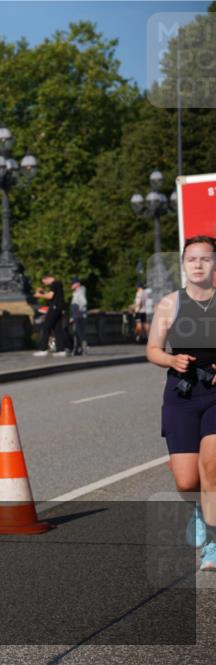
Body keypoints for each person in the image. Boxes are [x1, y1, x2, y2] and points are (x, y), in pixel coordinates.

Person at [147, 235, 216, 571]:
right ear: (184, 265)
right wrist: (171, 362)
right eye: (192, 259)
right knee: (187, 481)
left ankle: (213, 546)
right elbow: (153, 349)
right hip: (182, 394)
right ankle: (198, 510)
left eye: (206, 258)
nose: (199, 264)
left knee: (212, 467)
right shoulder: (170, 304)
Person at [33, 273, 71, 357]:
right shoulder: (58, 283)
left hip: (54, 308)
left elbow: (50, 296)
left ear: (47, 278)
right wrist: (43, 292)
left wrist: (40, 295)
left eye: (44, 282)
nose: (45, 284)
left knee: (46, 327)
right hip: (59, 308)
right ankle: (61, 350)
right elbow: (53, 295)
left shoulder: (54, 284)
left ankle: (43, 349)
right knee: (57, 329)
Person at [69, 277, 88, 356]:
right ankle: (78, 349)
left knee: (79, 332)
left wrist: (78, 311)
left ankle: (82, 349)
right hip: (78, 315)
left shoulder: (79, 291)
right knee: (77, 332)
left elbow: (84, 301)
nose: (71, 285)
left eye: (73, 283)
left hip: (79, 315)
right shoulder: (78, 291)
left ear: (77, 284)